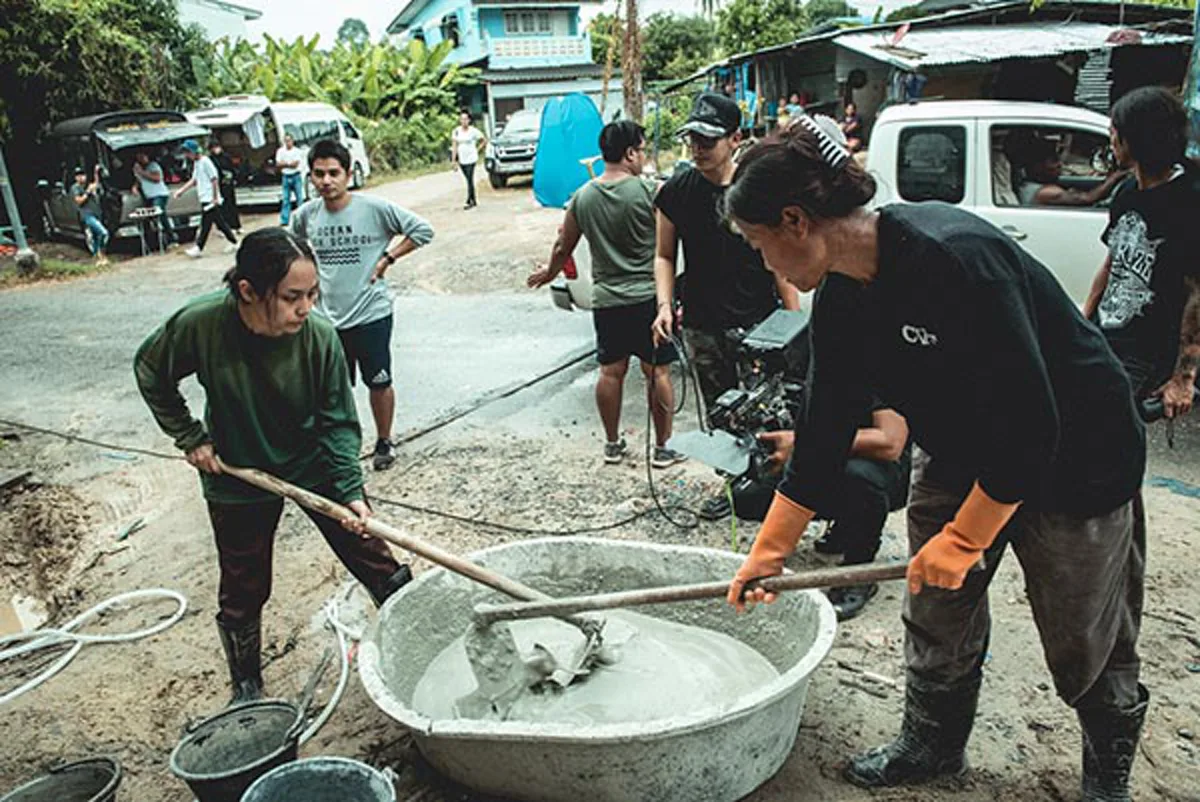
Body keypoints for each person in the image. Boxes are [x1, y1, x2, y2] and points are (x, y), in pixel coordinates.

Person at [722, 117, 1147, 801]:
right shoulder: (841, 299)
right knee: (935, 609)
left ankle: (1107, 775)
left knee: (1084, 630)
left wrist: (967, 537)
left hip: (1077, 454)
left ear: (794, 221)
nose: (763, 262)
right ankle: (932, 744)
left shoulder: (955, 258)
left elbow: (1031, 425)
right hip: (962, 450)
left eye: (757, 243)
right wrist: (768, 553)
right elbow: (822, 434)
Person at [134, 228, 413, 704]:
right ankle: (246, 685)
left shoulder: (319, 337)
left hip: (313, 462)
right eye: (291, 297)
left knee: (373, 554)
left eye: (312, 294)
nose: (305, 308)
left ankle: (418, 636)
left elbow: (338, 422)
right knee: (244, 585)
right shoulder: (201, 324)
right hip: (236, 469)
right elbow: (150, 372)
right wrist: (191, 437)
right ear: (248, 291)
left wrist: (349, 490)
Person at [527, 121, 686, 468]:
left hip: (608, 301)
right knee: (657, 373)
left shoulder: (582, 197)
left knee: (610, 373)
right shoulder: (651, 192)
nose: (643, 157)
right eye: (641, 150)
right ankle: (663, 448)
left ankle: (612, 444)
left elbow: (563, 246)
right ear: (629, 153)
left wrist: (548, 273)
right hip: (649, 299)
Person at [652, 91, 800, 415]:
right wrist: (664, 306)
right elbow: (664, 255)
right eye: (693, 140)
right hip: (702, 325)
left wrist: (793, 322)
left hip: (758, 321)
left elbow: (779, 260)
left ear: (735, 139)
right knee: (720, 415)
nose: (698, 149)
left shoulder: (757, 188)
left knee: (767, 412)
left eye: (707, 141)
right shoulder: (675, 192)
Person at [291, 139, 434, 471]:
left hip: (371, 312)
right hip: (326, 318)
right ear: (310, 177)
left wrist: (388, 258)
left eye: (334, 173)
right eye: (319, 174)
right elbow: (292, 246)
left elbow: (422, 230)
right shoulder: (306, 215)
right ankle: (337, 447)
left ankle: (384, 441)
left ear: (348, 174)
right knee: (329, 388)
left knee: (379, 381)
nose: (326, 181)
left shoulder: (374, 209)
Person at [1084, 86, 1200, 418]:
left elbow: (1197, 292)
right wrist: (1082, 324)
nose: (1111, 139)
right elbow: (1112, 262)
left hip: (1148, 351)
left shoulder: (1189, 199)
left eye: (1115, 131)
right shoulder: (1126, 191)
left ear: (1137, 139)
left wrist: (1184, 377)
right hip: (1106, 334)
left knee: (1103, 423)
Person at [757, 400, 910, 621]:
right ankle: (845, 525)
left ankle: (859, 571)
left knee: (858, 478)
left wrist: (803, 443)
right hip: (815, 450)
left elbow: (889, 443)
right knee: (749, 494)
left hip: (883, 466)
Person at [1012, 134, 1125, 208]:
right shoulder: (1046, 193)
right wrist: (1115, 177)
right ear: (1037, 166)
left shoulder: (1029, 185)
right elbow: (1088, 198)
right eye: (1053, 161)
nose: (1059, 165)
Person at [174, 139, 238, 259]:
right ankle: (233, 241)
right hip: (204, 197)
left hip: (210, 197)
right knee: (219, 223)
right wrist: (181, 191)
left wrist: (214, 197)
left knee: (206, 224)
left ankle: (199, 247)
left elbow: (214, 179)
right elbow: (194, 180)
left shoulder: (205, 162)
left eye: (188, 152)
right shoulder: (197, 163)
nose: (187, 155)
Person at [132, 151, 178, 247]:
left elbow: (157, 178)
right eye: (139, 158)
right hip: (149, 196)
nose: (141, 159)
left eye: (142, 157)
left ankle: (171, 237)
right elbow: (139, 181)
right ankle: (152, 242)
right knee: (147, 218)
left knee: (159, 213)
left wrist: (141, 172)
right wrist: (135, 187)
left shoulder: (153, 165)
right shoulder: (139, 169)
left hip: (159, 194)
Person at [72, 165, 109, 266]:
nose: (81, 177)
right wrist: (88, 192)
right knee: (103, 233)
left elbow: (96, 184)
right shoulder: (75, 188)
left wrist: (96, 172)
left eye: (82, 175)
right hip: (87, 215)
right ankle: (100, 254)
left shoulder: (89, 185)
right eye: (78, 176)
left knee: (95, 237)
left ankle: (98, 258)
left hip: (96, 213)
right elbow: (79, 201)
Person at [451, 110, 486, 210]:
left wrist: (477, 150)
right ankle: (473, 199)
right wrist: (454, 160)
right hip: (462, 158)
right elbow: (454, 146)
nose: (464, 121)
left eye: (466, 119)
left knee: (470, 178)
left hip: (471, 158)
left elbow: (483, 140)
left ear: (469, 120)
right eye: (462, 119)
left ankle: (469, 200)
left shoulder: (473, 131)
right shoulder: (456, 131)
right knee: (468, 179)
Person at [208, 140, 242, 234]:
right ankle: (225, 228)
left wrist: (234, 178)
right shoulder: (211, 159)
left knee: (232, 205)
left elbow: (232, 168)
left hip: (229, 184)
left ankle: (236, 225)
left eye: (217, 147)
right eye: (214, 147)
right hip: (219, 185)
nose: (216, 149)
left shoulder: (226, 157)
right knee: (223, 207)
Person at [276, 133, 305, 226]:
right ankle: (284, 220)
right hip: (285, 176)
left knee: (299, 199)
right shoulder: (280, 151)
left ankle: (301, 219)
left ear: (292, 141)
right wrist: (289, 164)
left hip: (296, 175)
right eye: (286, 141)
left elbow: (295, 164)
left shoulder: (297, 151)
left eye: (289, 140)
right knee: (285, 200)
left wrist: (285, 164)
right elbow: (278, 164)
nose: (287, 142)